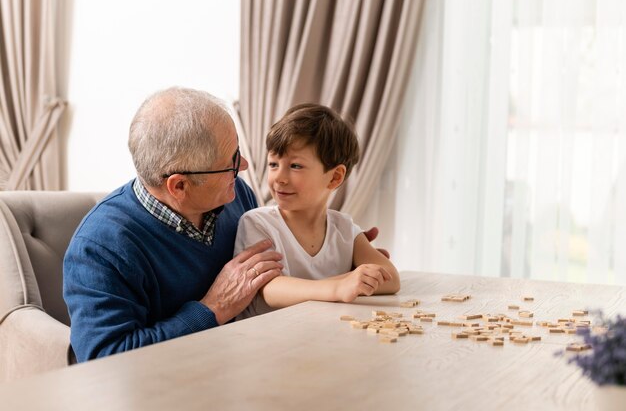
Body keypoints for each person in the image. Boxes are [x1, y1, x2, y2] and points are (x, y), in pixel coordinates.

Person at [63, 87, 285, 362]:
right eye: (230, 162)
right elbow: (105, 359)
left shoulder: (237, 195)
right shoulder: (100, 247)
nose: (244, 166)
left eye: (237, 151)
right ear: (179, 185)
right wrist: (213, 309)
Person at [235, 104, 400, 319]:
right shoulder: (257, 223)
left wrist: (350, 281)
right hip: (266, 343)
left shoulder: (344, 228)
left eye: (295, 166)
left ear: (335, 177)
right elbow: (270, 289)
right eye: (274, 164)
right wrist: (340, 286)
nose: (279, 178)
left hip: (318, 337)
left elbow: (391, 279)